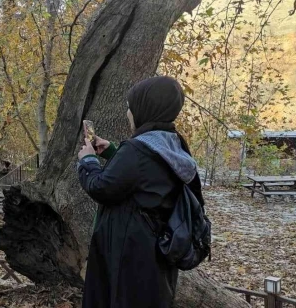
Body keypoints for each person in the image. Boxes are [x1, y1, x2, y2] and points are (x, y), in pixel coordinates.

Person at [76, 76, 203, 308]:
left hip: (128, 255)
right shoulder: (172, 143)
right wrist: (113, 151)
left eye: (130, 107)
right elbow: (146, 180)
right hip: (157, 251)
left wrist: (88, 161)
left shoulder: (137, 150)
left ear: (145, 108)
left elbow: (101, 188)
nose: (128, 113)